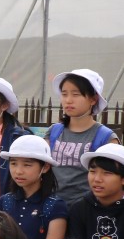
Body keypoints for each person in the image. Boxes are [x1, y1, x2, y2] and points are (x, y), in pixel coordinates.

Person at [47, 68, 116, 208]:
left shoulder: (106, 138)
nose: (68, 100)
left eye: (76, 94)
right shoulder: (53, 132)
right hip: (52, 207)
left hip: (87, 210)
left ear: (93, 99)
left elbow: (112, 179)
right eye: (64, 94)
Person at [0, 134, 68, 239]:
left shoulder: (56, 206)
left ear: (45, 167)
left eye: (27, 165)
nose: (18, 171)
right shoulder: (3, 202)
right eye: (13, 164)